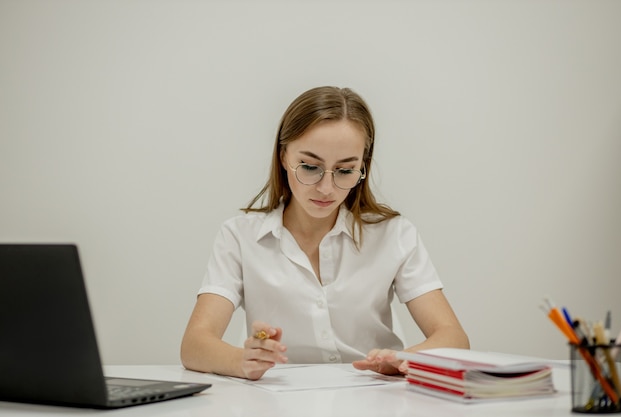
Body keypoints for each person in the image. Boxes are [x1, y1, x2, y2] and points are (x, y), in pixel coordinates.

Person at [180, 86, 469, 381]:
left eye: (345, 171)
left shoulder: (394, 234)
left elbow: (453, 337)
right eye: (309, 166)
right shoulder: (239, 236)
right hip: (277, 403)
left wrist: (404, 360)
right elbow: (194, 345)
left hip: (377, 400)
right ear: (283, 157)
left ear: (362, 168)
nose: (326, 189)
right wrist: (242, 361)